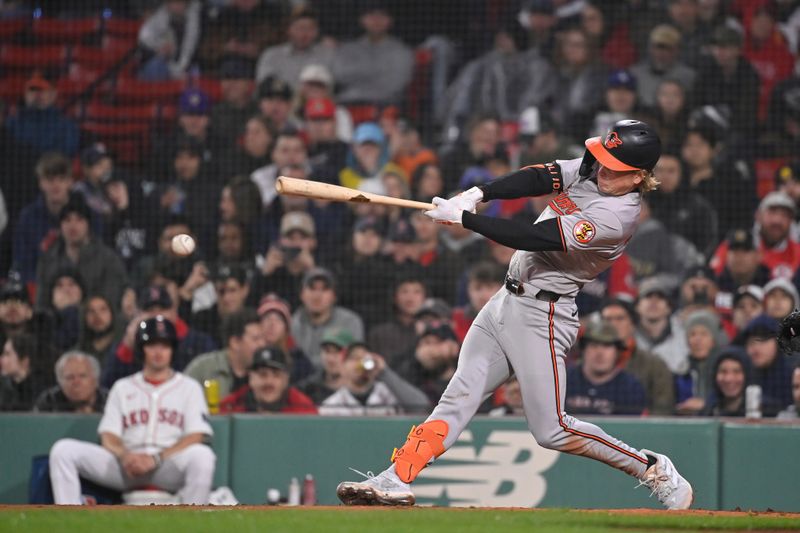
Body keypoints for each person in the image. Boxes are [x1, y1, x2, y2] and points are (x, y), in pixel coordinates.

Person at [336, 120, 693, 510]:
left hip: (545, 314)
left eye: (616, 166)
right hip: (505, 299)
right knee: (459, 395)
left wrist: (466, 220)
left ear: (640, 176)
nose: (603, 168)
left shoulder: (618, 216)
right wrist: (477, 193)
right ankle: (397, 476)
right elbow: (541, 177)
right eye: (604, 158)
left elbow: (536, 238)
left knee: (552, 430)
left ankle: (652, 468)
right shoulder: (595, 166)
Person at [49, 316, 215, 505]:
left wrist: (156, 459)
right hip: (125, 467)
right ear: (141, 349)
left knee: (203, 456)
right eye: (151, 344)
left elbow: (196, 436)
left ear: (173, 349)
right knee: (63, 451)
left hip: (166, 465)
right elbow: (108, 436)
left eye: (164, 345)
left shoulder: (189, 387)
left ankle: (193, 523)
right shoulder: (122, 387)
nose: (158, 351)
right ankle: (68, 519)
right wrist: (125, 455)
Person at [35, 195, 129, 312]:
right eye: (67, 220)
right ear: (60, 226)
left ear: (88, 225)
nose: (72, 225)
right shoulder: (48, 260)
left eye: (79, 219)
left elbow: (110, 302)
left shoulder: (108, 259)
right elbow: (41, 304)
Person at [600, 299, 675, 416]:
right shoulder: (587, 364)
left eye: (620, 319)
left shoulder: (654, 365)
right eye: (607, 319)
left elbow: (663, 409)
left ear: (633, 325)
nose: (613, 324)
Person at [332, 2, 414, 106]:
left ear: (390, 20)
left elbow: (395, 85)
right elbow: (340, 75)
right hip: (348, 104)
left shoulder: (402, 51)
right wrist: (376, 73)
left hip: (386, 108)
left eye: (382, 15)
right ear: (362, 19)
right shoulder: (348, 48)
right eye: (371, 14)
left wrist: (360, 77)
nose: (376, 19)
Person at [319, 342, 430, 416]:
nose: (359, 363)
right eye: (354, 358)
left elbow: (422, 406)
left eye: (364, 358)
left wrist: (384, 372)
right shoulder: (330, 406)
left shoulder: (390, 394)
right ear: (342, 367)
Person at [13, 152, 75, 283]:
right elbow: (23, 262)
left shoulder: (86, 214)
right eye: (50, 179)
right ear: (41, 182)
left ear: (70, 182)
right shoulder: (28, 217)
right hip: (38, 288)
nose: (56, 185)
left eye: (61, 179)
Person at [565, 321, 647, 416]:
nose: (600, 353)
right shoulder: (564, 380)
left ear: (617, 352)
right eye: (594, 345)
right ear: (583, 349)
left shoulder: (631, 388)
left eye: (607, 346)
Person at [291, 268, 364, 366]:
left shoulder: (350, 321)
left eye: (324, 289)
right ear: (301, 294)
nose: (317, 295)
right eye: (312, 288)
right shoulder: (292, 323)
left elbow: (355, 360)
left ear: (334, 296)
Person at [184, 309, 264, 399]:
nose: (262, 344)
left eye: (263, 338)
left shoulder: (267, 371)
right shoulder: (202, 369)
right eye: (256, 339)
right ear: (235, 343)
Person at [218, 346, 317, 414]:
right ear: (250, 378)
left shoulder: (303, 408)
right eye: (262, 375)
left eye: (276, 375)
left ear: (286, 380)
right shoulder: (230, 406)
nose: (269, 382)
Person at [4, 73, 79, 157]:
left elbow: (65, 155)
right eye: (32, 90)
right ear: (25, 94)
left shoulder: (66, 126)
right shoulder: (12, 123)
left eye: (42, 90)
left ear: (53, 94)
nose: (37, 94)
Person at [255, 7, 333, 87]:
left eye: (310, 28)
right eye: (300, 28)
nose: (305, 33)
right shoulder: (272, 55)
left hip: (317, 99)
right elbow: (263, 84)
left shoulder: (328, 55)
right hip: (282, 98)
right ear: (289, 29)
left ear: (317, 31)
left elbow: (341, 83)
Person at [742, 314, 795, 416]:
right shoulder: (741, 372)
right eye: (751, 343)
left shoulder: (793, 373)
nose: (756, 349)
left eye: (763, 341)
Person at [137, 0, 202, 81]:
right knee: (155, 66)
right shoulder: (161, 15)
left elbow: (189, 48)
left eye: (180, 2)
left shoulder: (193, 18)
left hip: (184, 65)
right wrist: (159, 46)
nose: (177, 6)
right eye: (173, 2)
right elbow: (143, 36)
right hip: (162, 64)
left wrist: (180, 69)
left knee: (195, 72)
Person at [34, 351, 108, 413]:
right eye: (70, 377)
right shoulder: (48, 402)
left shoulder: (110, 400)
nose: (76, 382)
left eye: (82, 376)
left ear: (95, 380)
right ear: (60, 382)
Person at [0, 333, 50, 411]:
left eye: (7, 354)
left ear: (24, 361)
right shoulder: (3, 388)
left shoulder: (44, 392)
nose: (1, 359)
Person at [701, 347, 751, 417]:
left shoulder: (765, 411)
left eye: (737, 372)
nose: (728, 379)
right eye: (723, 371)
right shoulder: (707, 411)